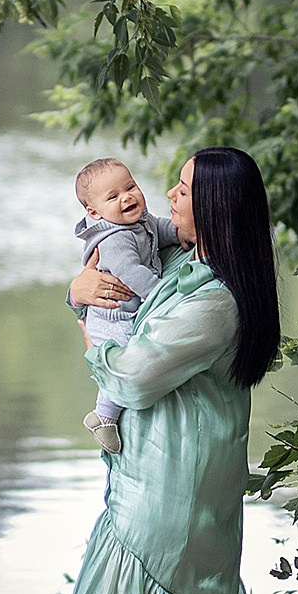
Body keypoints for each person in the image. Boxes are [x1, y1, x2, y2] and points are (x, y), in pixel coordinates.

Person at [63, 147, 281, 594]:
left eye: (183, 191)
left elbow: (134, 374)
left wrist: (83, 331)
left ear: (214, 207)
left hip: (177, 480)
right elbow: (114, 285)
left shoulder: (214, 300)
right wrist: (76, 291)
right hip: (156, 469)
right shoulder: (187, 268)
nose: (167, 198)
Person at [72, 158, 181, 455]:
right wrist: (162, 296)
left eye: (131, 187)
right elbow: (133, 274)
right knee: (124, 356)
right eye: (113, 196)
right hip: (112, 317)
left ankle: (105, 412)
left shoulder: (140, 220)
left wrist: (178, 233)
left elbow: (159, 229)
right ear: (94, 212)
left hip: (125, 311)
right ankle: (104, 415)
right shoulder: (115, 240)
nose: (127, 197)